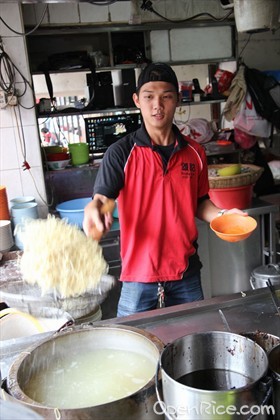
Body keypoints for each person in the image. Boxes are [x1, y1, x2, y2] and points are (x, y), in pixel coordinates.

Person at [83, 62, 246, 317]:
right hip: (139, 274)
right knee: (135, 350)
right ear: (137, 100)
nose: (157, 105)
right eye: (149, 97)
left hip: (185, 271)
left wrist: (225, 216)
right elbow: (103, 197)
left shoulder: (195, 152)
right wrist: (93, 208)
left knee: (192, 343)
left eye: (166, 97)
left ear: (177, 100)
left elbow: (200, 201)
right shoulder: (121, 152)